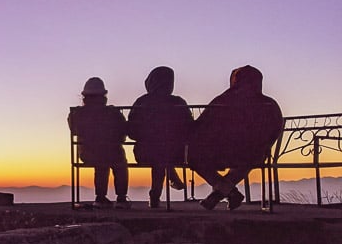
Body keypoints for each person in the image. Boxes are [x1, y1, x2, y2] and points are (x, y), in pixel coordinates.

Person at [188, 65, 284, 210]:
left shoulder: (222, 101)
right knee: (247, 160)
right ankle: (225, 192)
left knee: (193, 158)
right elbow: (276, 128)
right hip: (254, 154)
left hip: (221, 153)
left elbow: (201, 126)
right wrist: (264, 147)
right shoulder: (270, 104)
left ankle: (225, 191)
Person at [127, 66, 193, 208]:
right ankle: (170, 177)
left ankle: (156, 194)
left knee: (159, 154)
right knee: (164, 153)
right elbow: (190, 129)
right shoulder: (178, 102)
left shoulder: (142, 102)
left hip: (144, 152)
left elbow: (131, 132)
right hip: (178, 153)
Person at [69, 76, 130, 209]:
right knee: (118, 163)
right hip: (113, 152)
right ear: (104, 96)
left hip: (87, 153)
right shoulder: (113, 113)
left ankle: (100, 198)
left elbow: (74, 131)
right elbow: (123, 131)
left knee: (101, 161)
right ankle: (121, 198)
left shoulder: (77, 113)